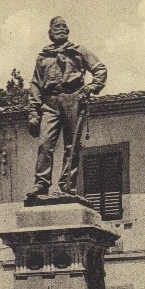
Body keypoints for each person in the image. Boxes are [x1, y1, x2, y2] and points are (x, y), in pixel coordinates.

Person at [26, 17, 107, 198]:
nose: (60, 30)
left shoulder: (78, 52)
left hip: (72, 98)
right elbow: (35, 85)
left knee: (72, 145)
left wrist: (92, 87)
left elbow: (100, 69)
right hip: (50, 102)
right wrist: (33, 112)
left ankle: (67, 185)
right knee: (45, 143)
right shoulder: (43, 57)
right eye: (56, 27)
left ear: (68, 31)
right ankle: (41, 183)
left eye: (63, 27)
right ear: (50, 32)